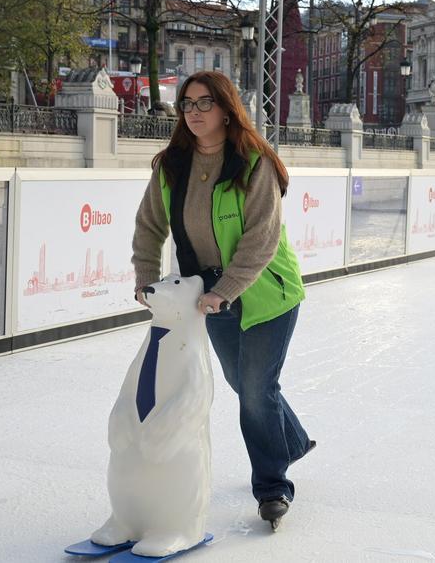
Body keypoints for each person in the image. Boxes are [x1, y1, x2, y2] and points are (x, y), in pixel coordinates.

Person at [130, 70, 314, 527]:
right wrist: (146, 278)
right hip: (210, 297)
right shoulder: (171, 166)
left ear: (227, 109)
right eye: (187, 104)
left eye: (204, 103)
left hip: (269, 294)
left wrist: (224, 291)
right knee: (244, 383)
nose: (194, 112)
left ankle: (272, 487)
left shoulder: (254, 163)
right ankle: (291, 441)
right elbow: (149, 226)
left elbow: (261, 239)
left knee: (256, 390)